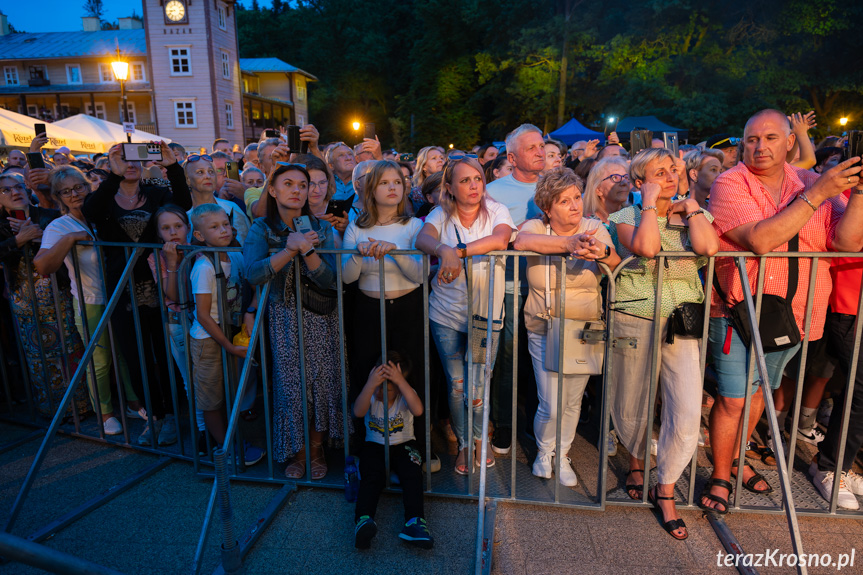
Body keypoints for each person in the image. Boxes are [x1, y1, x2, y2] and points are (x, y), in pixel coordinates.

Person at [700, 109, 863, 515]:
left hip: (797, 312)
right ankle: (720, 474)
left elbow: (844, 240)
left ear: (790, 141)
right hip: (739, 310)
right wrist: (818, 194)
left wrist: (859, 191)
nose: (760, 147)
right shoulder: (730, 182)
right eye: (752, 138)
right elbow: (760, 239)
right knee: (734, 397)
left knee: (759, 391)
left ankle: (737, 459)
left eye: (771, 138)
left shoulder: (809, 180)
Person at [608, 147, 719, 540]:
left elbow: (708, 248)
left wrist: (690, 209)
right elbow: (647, 249)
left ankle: (666, 486)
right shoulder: (624, 215)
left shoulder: (696, 215)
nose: (672, 174)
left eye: (675, 168)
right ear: (640, 182)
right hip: (635, 315)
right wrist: (650, 205)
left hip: (682, 320)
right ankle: (637, 462)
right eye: (660, 171)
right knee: (632, 400)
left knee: (687, 411)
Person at [513, 168, 620, 486]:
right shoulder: (536, 226)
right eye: (564, 200)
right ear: (548, 207)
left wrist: (602, 252)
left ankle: (564, 453)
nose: (574, 205)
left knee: (572, 399)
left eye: (576, 197)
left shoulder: (594, 226)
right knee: (550, 400)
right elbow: (521, 242)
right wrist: (568, 243)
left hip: (583, 326)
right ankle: (544, 452)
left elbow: (614, 262)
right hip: (543, 325)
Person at [244, 162, 349, 480]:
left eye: (302, 185)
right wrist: (288, 251)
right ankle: (298, 452)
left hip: (321, 317)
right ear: (273, 190)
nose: (297, 190)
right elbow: (252, 273)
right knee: (292, 388)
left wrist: (307, 250)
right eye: (288, 184)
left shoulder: (322, 226)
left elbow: (332, 279)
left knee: (322, 385)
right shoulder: (260, 228)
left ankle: (316, 451)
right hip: (284, 316)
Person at [82, 141, 190, 446]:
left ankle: (173, 414)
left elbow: (182, 203)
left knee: (165, 352)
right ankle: (154, 416)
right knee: (135, 354)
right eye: (121, 157)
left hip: (159, 283)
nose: (130, 163)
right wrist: (112, 176)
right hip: (122, 288)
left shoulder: (155, 194)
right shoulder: (103, 197)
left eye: (135, 157)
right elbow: (91, 210)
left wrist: (171, 166)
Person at [416, 156, 515, 474]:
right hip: (445, 314)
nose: (474, 185)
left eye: (477, 178)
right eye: (464, 180)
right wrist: (441, 250)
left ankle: (479, 440)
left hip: (485, 315)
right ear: (449, 187)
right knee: (457, 385)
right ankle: (463, 444)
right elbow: (422, 239)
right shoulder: (440, 214)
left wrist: (455, 251)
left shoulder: (497, 209)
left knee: (478, 385)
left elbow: (500, 239)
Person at [34, 166, 137, 435]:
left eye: (78, 186)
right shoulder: (60, 226)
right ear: (58, 197)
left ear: (88, 185)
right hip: (91, 299)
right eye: (66, 191)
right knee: (100, 360)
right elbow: (42, 265)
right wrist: (70, 239)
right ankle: (105, 414)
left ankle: (133, 402)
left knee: (126, 351)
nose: (74, 194)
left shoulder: (102, 214)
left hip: (121, 294)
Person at [342, 160, 430, 467]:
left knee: (411, 371)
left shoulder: (414, 226)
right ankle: (367, 444)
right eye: (384, 183)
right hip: (368, 308)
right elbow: (348, 277)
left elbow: (420, 275)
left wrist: (393, 250)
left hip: (406, 309)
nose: (392, 187)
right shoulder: (357, 227)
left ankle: (416, 445)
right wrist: (357, 253)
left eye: (397, 182)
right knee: (367, 370)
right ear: (371, 189)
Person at [0, 172, 89, 419]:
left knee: (71, 347)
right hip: (23, 300)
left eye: (18, 186)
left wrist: (43, 238)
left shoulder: (49, 217)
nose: (15, 192)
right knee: (38, 354)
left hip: (59, 294)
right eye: (6, 190)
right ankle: (53, 409)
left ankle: (82, 405)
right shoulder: (1, 225)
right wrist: (17, 240)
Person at [485, 124, 547, 455]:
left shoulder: (558, 186)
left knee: (545, 356)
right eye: (532, 147)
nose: (540, 151)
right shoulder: (494, 190)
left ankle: (542, 425)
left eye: (542, 146)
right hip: (508, 282)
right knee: (508, 355)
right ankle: (505, 423)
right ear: (512, 157)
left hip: (549, 283)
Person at [188, 203, 264, 466]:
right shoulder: (203, 266)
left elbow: (254, 284)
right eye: (214, 227)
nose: (224, 230)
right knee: (211, 400)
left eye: (225, 224)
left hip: (231, 334)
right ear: (199, 236)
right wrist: (228, 346)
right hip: (209, 340)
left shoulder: (236, 256)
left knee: (229, 394)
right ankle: (226, 447)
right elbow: (203, 314)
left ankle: (233, 440)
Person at [811, 182, 863, 509]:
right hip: (850, 307)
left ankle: (840, 462)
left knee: (852, 390)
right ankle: (830, 467)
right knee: (859, 390)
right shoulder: (843, 195)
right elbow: (847, 242)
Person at [353, 356, 432, 549]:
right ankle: (363, 520)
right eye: (379, 385)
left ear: (397, 387)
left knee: (412, 475)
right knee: (371, 476)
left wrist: (400, 381)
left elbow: (419, 410)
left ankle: (415, 522)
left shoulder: (404, 394)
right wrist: (371, 384)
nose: (380, 391)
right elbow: (358, 411)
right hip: (375, 445)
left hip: (404, 444)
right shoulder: (371, 392)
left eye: (386, 388)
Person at [147, 205, 206, 443]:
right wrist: (172, 263)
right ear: (159, 233)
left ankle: (214, 426)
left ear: (189, 228)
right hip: (177, 322)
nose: (173, 232)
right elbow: (174, 295)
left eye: (178, 226)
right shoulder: (156, 257)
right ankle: (203, 430)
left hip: (203, 319)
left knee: (207, 375)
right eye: (166, 228)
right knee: (190, 378)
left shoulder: (199, 251)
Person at [186, 153, 250, 245]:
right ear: (188, 179)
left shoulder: (232, 208)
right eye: (200, 172)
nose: (207, 176)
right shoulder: (183, 213)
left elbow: (244, 244)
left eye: (211, 171)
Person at [583, 157, 631, 225]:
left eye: (626, 177)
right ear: (598, 189)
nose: (624, 182)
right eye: (615, 177)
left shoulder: (635, 216)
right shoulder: (588, 225)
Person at [408, 146, 445, 212]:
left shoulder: (452, 185)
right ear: (423, 166)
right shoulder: (416, 193)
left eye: (442, 158)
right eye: (434, 158)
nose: (440, 161)